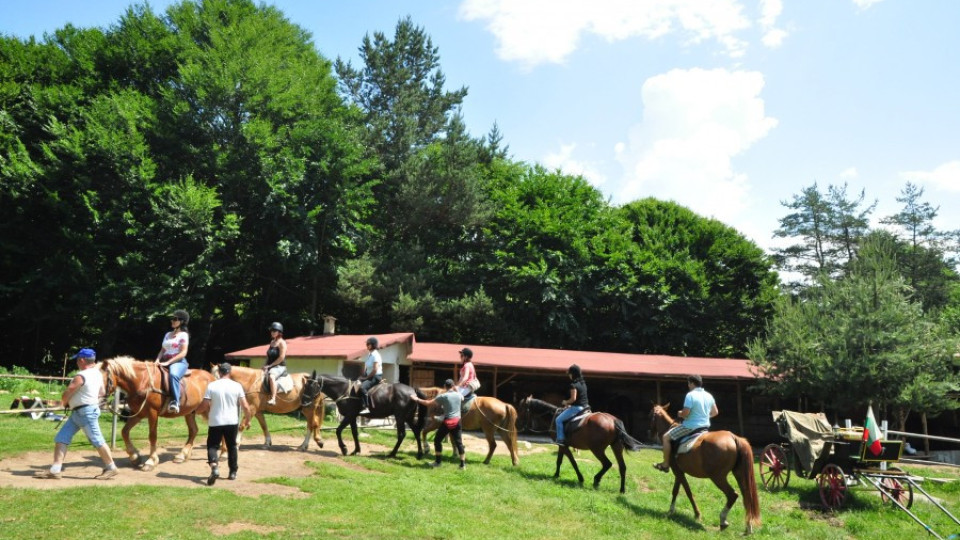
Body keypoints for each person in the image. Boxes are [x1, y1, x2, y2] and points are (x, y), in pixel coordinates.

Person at [35, 348, 119, 480]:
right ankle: (55, 470)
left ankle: (111, 468)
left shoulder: (81, 376)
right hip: (80, 412)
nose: (77, 363)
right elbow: (102, 392)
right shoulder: (97, 374)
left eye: (77, 360)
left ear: (82, 360)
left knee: (97, 440)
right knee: (61, 437)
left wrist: (64, 402)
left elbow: (69, 391)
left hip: (85, 413)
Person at [653, 374, 718, 472]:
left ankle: (665, 464)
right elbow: (715, 412)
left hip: (690, 427)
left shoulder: (690, 395)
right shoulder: (709, 395)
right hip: (705, 427)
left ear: (692, 383)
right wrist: (704, 417)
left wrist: (680, 413)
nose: (688, 385)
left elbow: (685, 413)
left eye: (688, 383)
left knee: (666, 437)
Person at [203, 361, 252, 485]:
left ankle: (214, 466)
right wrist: (248, 419)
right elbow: (245, 406)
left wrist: (195, 411)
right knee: (232, 446)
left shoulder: (211, 386)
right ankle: (232, 472)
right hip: (232, 422)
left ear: (219, 372)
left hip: (215, 421)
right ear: (229, 372)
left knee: (213, 446)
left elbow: (204, 405)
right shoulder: (237, 386)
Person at [411, 379, 466, 469]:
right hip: (458, 421)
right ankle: (462, 464)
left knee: (437, 441)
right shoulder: (459, 395)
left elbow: (428, 403)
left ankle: (438, 462)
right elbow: (462, 397)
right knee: (459, 443)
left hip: (448, 421)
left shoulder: (443, 396)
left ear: (445, 386)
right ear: (452, 386)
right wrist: (456, 390)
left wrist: (416, 399)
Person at [156, 309, 190, 414]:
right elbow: (162, 350)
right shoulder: (167, 334)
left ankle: (175, 401)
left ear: (182, 321)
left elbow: (183, 353)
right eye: (172, 319)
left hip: (178, 362)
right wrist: (156, 360)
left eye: (175, 319)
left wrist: (168, 362)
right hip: (163, 360)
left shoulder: (184, 335)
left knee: (173, 374)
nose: (172, 321)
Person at [555, 364, 590, 446]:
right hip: (586, 408)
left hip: (577, 408)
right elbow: (580, 398)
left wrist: (565, 402)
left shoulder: (573, 385)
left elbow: (573, 399)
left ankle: (560, 439)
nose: (569, 375)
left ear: (573, 374)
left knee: (558, 420)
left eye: (570, 373)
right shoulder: (583, 383)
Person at [262, 322, 287, 406]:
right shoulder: (272, 342)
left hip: (279, 366)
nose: (272, 332)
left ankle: (273, 398)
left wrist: (270, 365)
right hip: (270, 365)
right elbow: (268, 356)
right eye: (271, 331)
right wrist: (265, 365)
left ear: (279, 332)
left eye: (274, 331)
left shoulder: (282, 343)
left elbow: (281, 358)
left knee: (272, 377)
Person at [358, 336, 382, 415]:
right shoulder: (370, 354)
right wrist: (362, 375)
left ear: (371, 345)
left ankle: (366, 407)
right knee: (356, 383)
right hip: (369, 375)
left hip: (375, 377)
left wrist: (366, 377)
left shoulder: (376, 355)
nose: (366, 345)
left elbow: (375, 370)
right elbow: (367, 367)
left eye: (367, 344)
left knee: (362, 387)